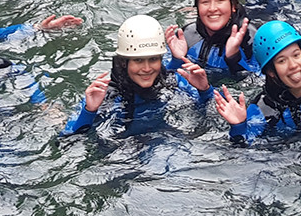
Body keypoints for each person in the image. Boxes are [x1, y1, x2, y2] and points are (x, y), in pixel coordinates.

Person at [63, 15, 212, 137]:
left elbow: (213, 113)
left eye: (153, 59)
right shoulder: (104, 96)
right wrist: (89, 111)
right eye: (138, 60)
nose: (146, 68)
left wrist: (204, 90)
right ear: (123, 62)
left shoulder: (174, 81)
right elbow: (67, 140)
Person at [164, 0, 259, 80]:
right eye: (205, 2)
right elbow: (166, 79)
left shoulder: (251, 40)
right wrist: (177, 60)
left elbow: (260, 80)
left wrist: (233, 58)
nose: (212, 8)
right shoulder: (187, 36)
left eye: (220, 0)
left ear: (233, 5)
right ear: (197, 8)